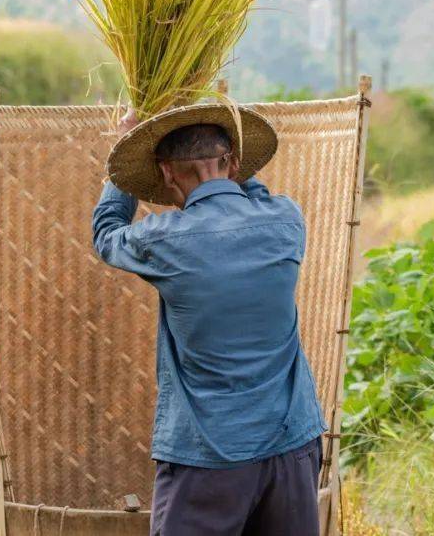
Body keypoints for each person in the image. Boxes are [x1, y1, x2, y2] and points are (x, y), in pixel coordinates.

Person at [92, 104, 326, 536]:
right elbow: (254, 196)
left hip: (210, 456)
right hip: (292, 444)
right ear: (234, 163)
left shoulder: (164, 239)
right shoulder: (286, 221)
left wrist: (121, 147)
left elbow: (106, 233)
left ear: (165, 173)